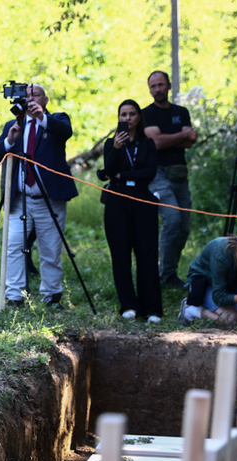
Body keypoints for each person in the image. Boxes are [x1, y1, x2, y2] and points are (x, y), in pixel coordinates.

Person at [0, 84, 78, 310]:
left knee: (50, 250)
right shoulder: (14, 124)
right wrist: (9, 141)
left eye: (35, 95)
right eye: (26, 96)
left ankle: (52, 297)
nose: (30, 100)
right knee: (14, 246)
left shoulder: (56, 120)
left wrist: (42, 119)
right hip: (20, 200)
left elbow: (65, 132)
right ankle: (15, 297)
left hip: (50, 200)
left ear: (45, 99)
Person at [102, 99, 163, 322]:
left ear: (139, 118)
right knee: (120, 254)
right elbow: (108, 171)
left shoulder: (147, 144)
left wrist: (122, 176)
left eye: (131, 114)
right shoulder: (111, 144)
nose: (127, 119)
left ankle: (152, 308)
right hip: (117, 201)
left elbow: (149, 173)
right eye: (123, 115)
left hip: (143, 200)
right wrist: (117, 150)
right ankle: (128, 305)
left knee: (147, 253)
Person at [143, 70, 197, 290]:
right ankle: (165, 275)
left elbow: (191, 140)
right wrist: (180, 135)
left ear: (169, 86)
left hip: (179, 173)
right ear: (150, 89)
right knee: (172, 219)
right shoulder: (147, 114)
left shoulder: (181, 111)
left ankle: (170, 273)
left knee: (184, 226)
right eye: (154, 86)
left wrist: (169, 139)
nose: (158, 89)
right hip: (157, 174)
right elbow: (155, 144)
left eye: (161, 85)